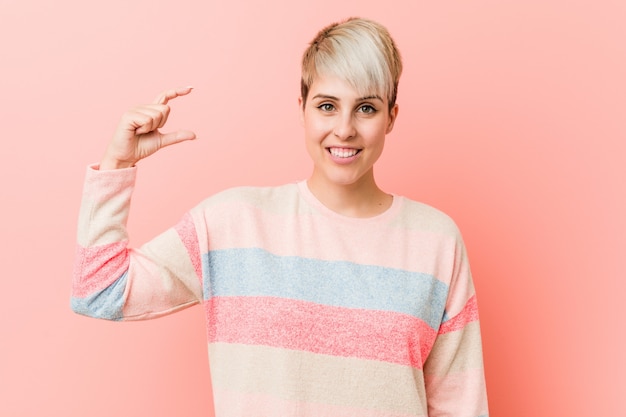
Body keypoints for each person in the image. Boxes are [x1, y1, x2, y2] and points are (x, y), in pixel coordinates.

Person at [72, 17, 489, 417]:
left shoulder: (436, 242)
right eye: (327, 105)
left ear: (391, 118)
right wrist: (117, 164)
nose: (344, 129)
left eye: (366, 108)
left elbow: (461, 407)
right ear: (302, 108)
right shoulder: (233, 225)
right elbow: (99, 290)